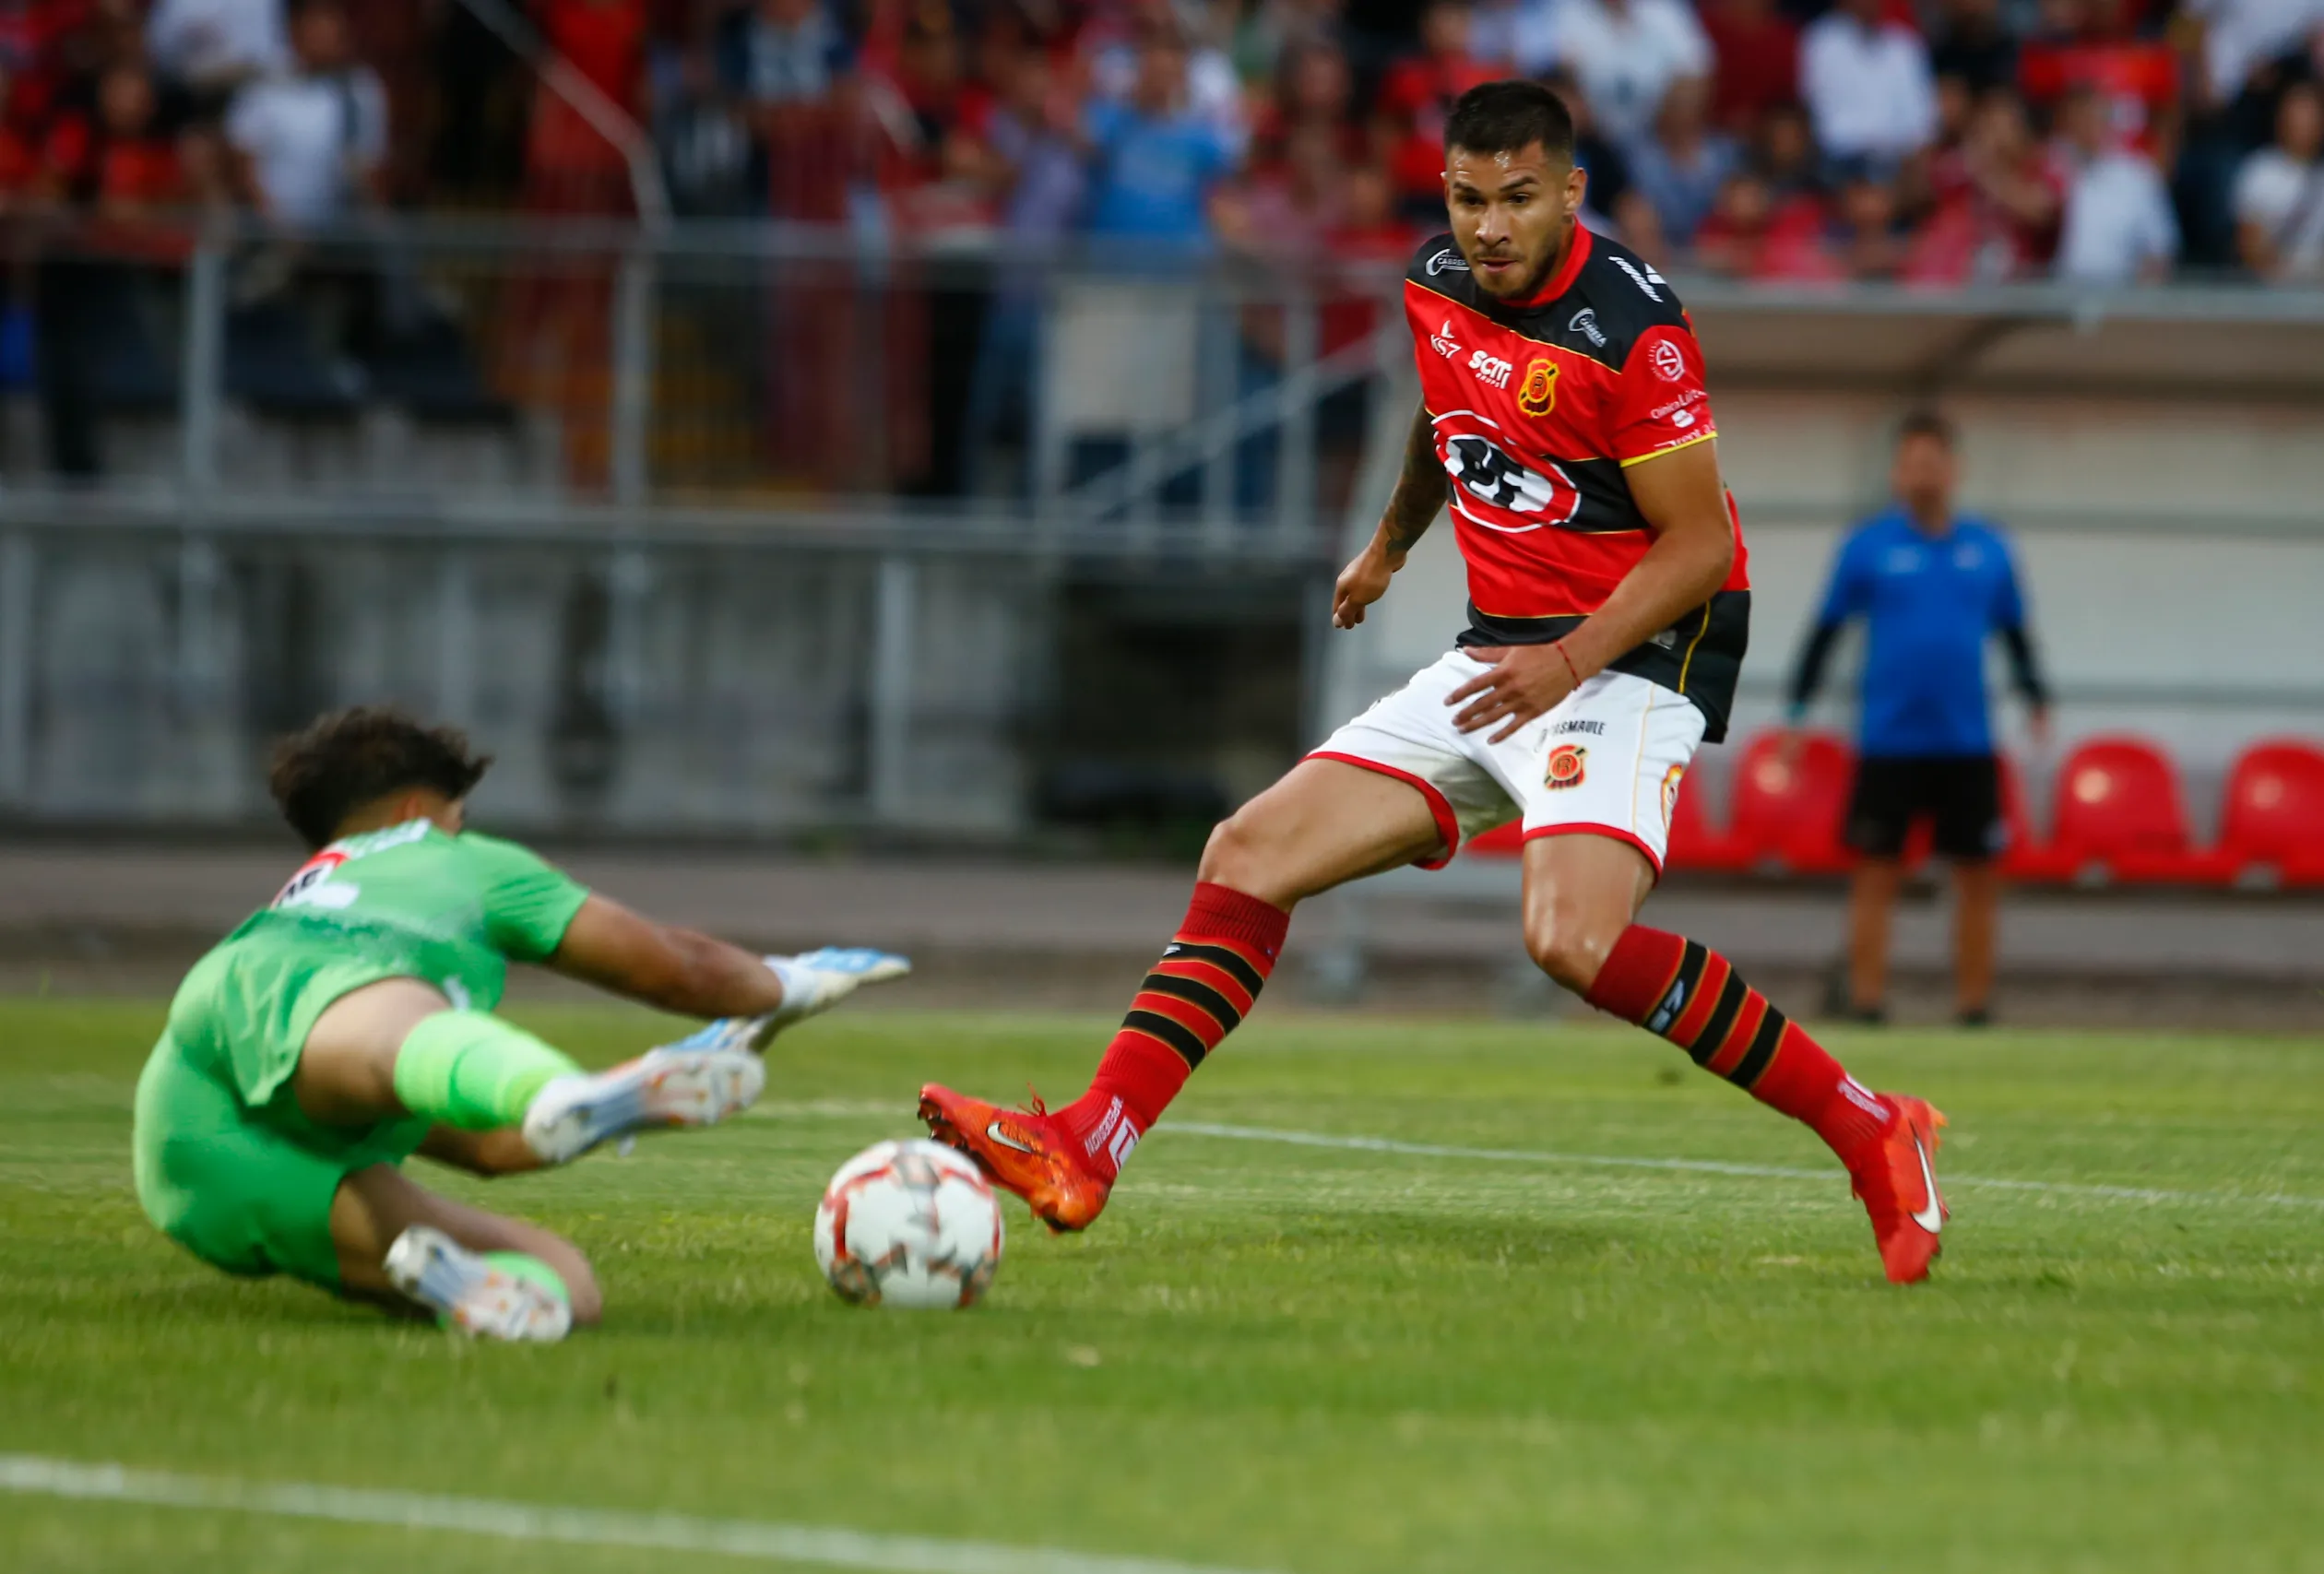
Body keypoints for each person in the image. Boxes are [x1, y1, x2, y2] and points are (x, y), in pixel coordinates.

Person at [920, 80, 1953, 1286]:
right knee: (1246, 850)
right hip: (1498, 650)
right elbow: (1441, 417)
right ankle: (1085, 1144)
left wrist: (1563, 662)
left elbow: (1699, 549)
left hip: (1623, 656)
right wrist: (1392, 545)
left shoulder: (1636, 330)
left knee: (1570, 937)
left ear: (1571, 191)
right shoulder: (1437, 283)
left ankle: (1873, 1125)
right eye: (1468, 198)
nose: (1490, 227)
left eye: (1518, 198)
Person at [133, 707, 908, 1342]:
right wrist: (787, 984)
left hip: (194, 1154)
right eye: (458, 816)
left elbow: (479, 1146)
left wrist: (605, 1105)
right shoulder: (457, 860)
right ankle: (552, 1087)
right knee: (400, 1025)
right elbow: (676, 965)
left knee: (562, 1280)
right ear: (415, 812)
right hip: (299, 995)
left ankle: (479, 1291)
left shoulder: (304, 891)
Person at [1784, 411, 2048, 1027]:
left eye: (1932, 461)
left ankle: (1975, 1006)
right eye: (1910, 462)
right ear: (1897, 472)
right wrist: (1797, 712)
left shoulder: (1989, 548)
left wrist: (2037, 698)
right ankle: (1869, 1000)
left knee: (1978, 875)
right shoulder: (1867, 546)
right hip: (1888, 740)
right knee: (1876, 871)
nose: (1921, 473)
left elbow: (2014, 634)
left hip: (1967, 740)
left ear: (1953, 469)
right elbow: (1824, 633)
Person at [2233, 78, 2324, 280]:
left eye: (2312, 113)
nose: (2304, 122)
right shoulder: (2259, 170)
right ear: (2282, 117)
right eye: (2298, 112)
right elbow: (2249, 245)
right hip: (2272, 293)